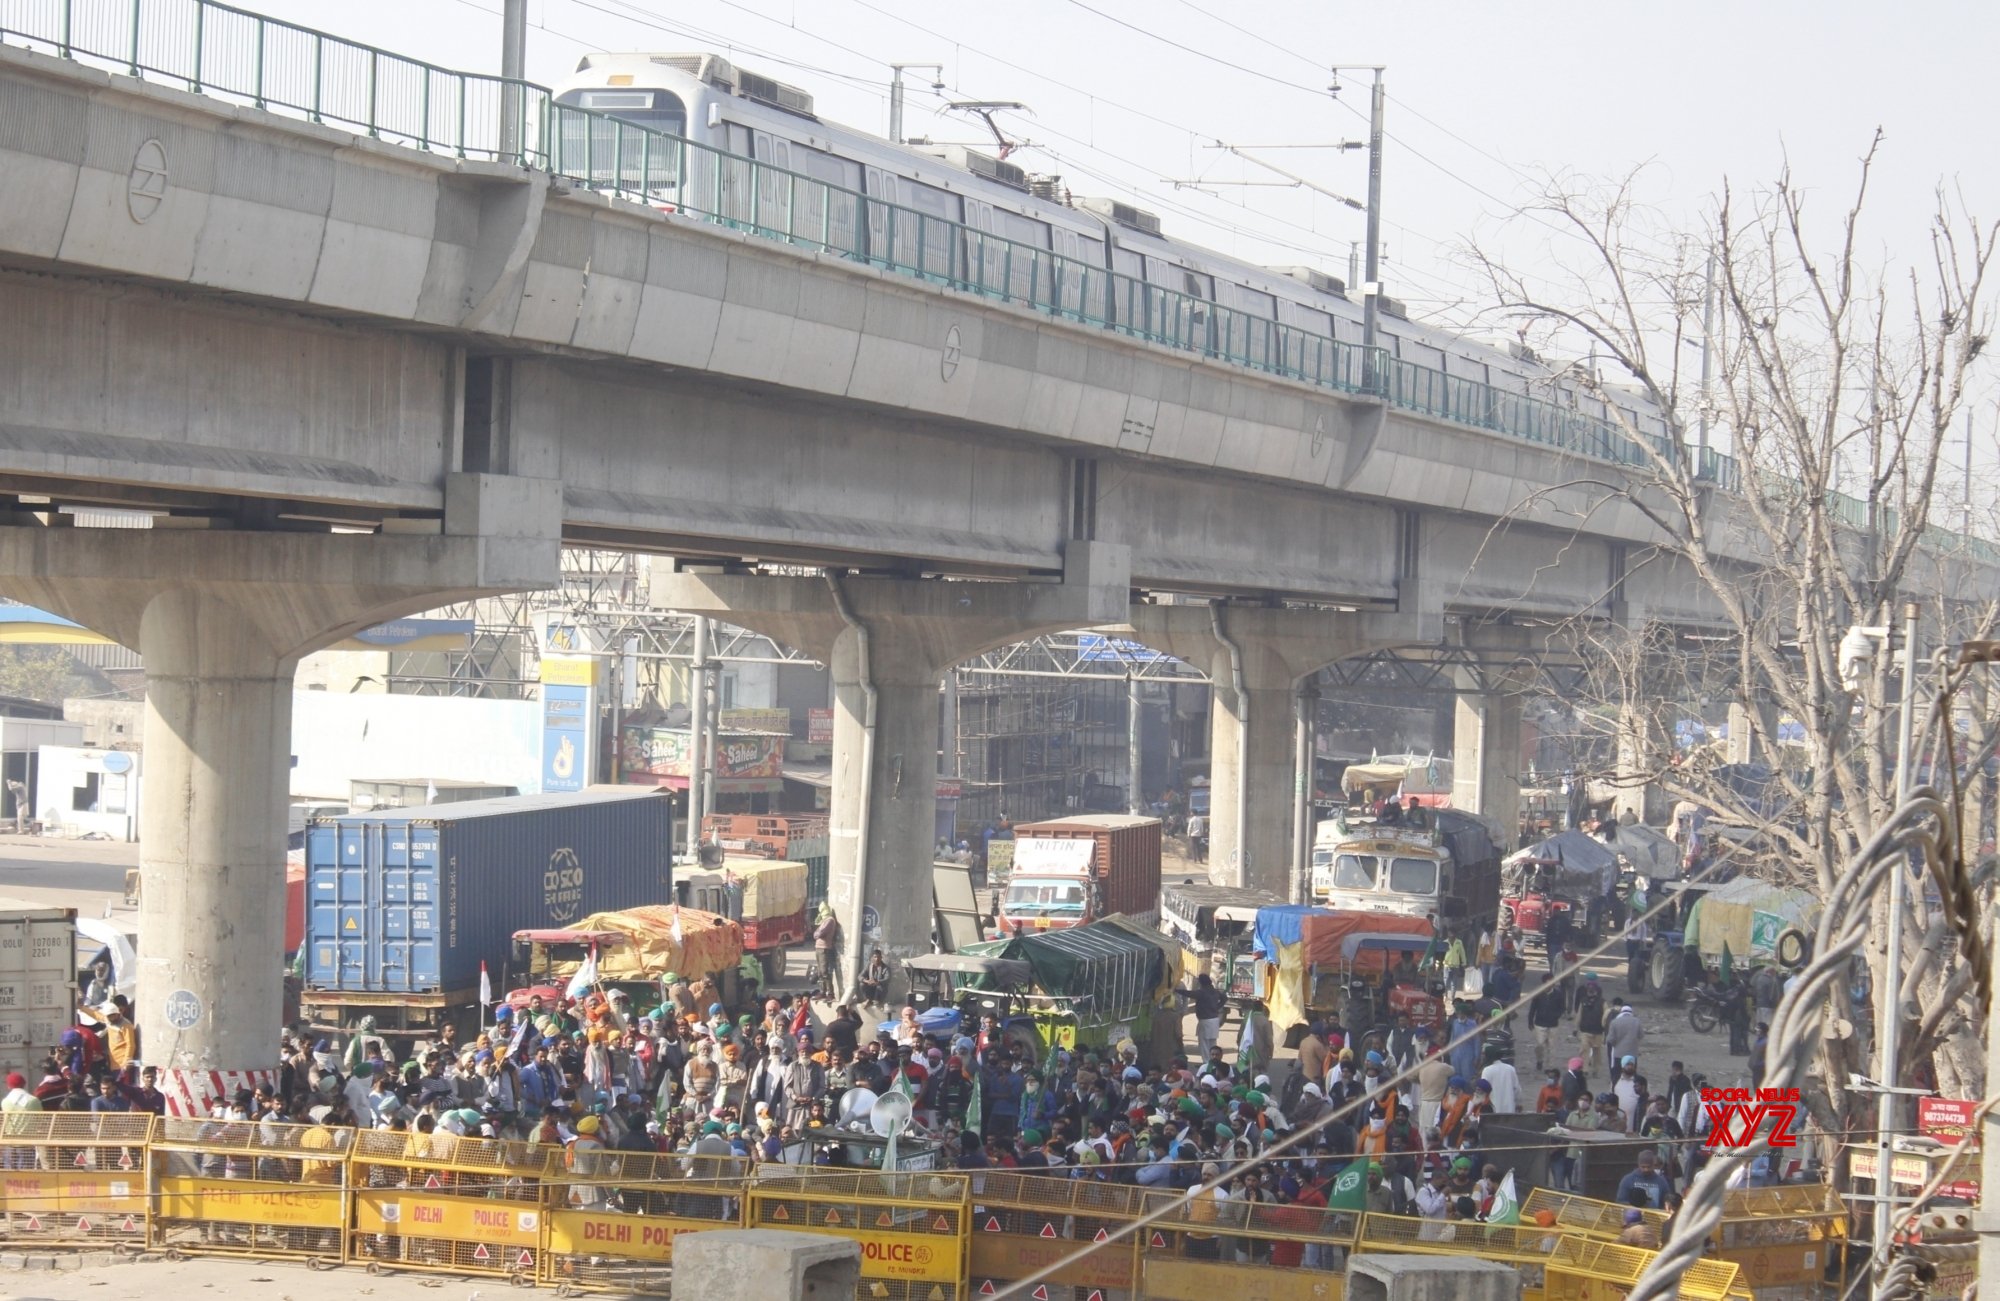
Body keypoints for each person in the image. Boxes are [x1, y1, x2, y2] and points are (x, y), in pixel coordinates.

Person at [1528, 978, 1567, 1073]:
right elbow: (1533, 1008)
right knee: (1539, 1044)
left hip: (1553, 1024)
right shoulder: (1538, 995)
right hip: (1540, 1023)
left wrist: (1556, 1016)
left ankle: (1550, 1067)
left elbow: (1562, 1008)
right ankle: (1539, 1060)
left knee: (1552, 1046)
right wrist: (1530, 1021)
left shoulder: (1558, 995)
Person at [1188, 974, 1225, 1062]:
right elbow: (1224, 998)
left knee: (1204, 1044)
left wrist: (1176, 990)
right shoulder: (1214, 991)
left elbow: (1189, 993)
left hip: (1205, 1021)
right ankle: (1214, 1061)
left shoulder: (1202, 992)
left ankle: (1206, 1063)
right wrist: (1217, 1006)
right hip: (1215, 1020)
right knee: (1212, 1042)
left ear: (1201, 982)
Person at [1575, 973, 1606, 1070]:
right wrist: (1577, 1027)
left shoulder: (1602, 1002)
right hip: (1586, 1029)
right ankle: (1585, 1069)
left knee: (1597, 1051)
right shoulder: (1583, 999)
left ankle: (1595, 1069)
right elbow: (1579, 1012)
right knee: (1584, 1049)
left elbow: (1605, 1015)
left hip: (1597, 1030)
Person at [811, 906, 842, 1000]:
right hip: (819, 947)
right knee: (820, 972)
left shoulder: (829, 920)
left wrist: (817, 934)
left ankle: (830, 993)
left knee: (825, 972)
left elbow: (820, 933)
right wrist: (816, 933)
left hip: (824, 948)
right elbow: (816, 933)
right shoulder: (824, 920)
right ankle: (822, 991)